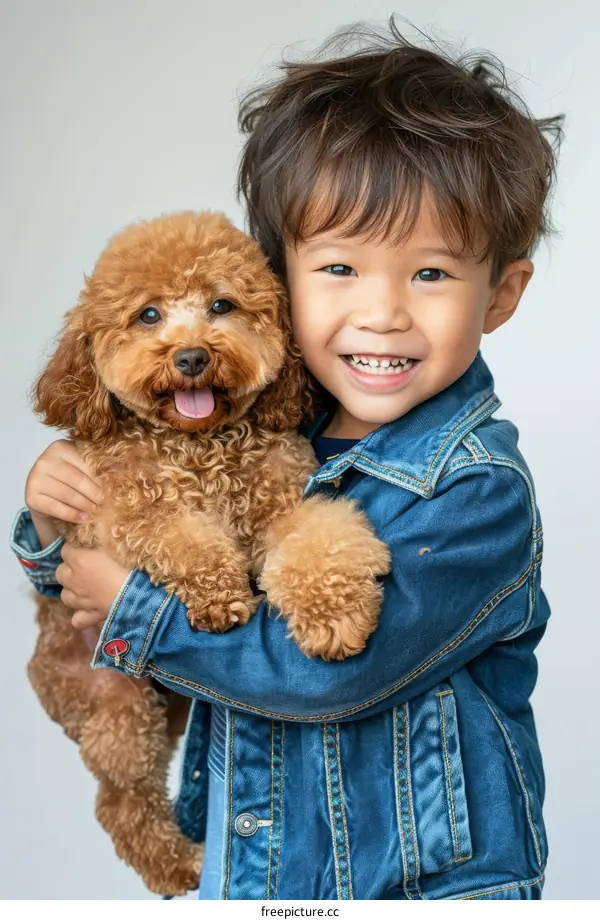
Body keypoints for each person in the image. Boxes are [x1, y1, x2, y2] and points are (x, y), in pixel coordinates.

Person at [10, 19, 564, 900]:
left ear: (499, 293)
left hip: (425, 892)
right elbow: (84, 602)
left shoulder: (475, 490)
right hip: (264, 879)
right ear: (279, 278)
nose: (382, 312)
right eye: (340, 267)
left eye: (429, 275)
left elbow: (324, 676)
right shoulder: (257, 435)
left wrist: (142, 610)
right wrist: (50, 526)